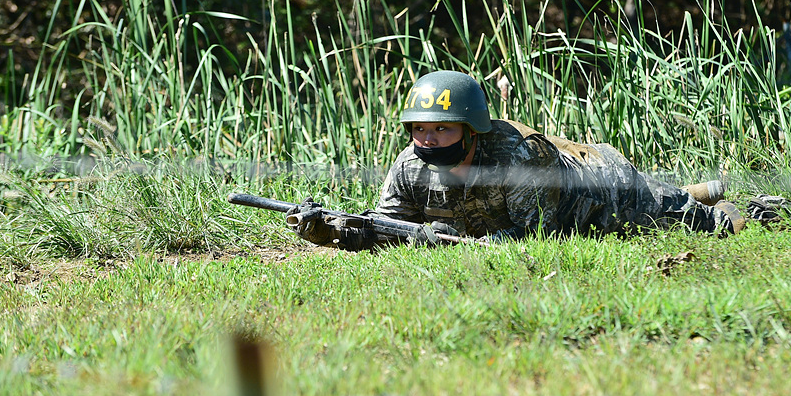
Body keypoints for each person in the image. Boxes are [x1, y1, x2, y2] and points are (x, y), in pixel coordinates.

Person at [292, 70, 745, 246]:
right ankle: (699, 190)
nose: (427, 140)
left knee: (699, 222)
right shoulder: (410, 165)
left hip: (600, 192)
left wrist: (447, 240)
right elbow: (389, 225)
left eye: (442, 128)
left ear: (471, 131)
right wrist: (332, 230)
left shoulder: (518, 157)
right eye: (419, 129)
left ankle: (749, 208)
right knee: (679, 198)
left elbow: (536, 234)